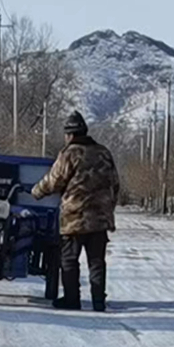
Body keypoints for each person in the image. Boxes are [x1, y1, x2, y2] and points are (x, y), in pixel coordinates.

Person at [31, 111, 120, 311]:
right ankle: (98, 302)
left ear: (70, 135)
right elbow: (115, 183)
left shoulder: (69, 153)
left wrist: (35, 192)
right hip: (99, 219)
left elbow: (54, 181)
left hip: (74, 218)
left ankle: (72, 299)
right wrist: (108, 208)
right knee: (97, 261)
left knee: (69, 260)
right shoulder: (104, 153)